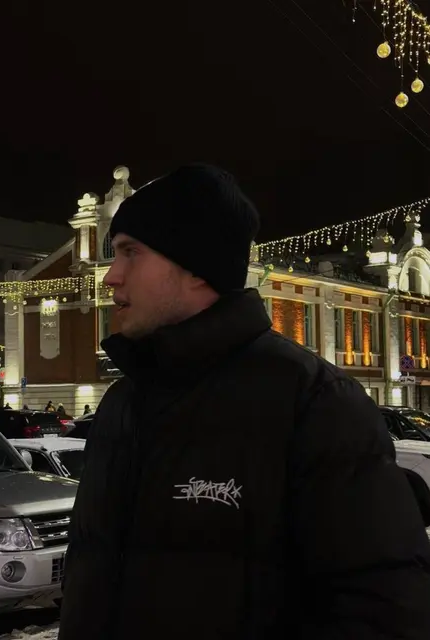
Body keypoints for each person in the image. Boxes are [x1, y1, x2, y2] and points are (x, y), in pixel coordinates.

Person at [59, 164, 430, 640]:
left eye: (131, 253)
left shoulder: (315, 402)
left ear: (196, 266)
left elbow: (384, 612)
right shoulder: (121, 403)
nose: (111, 276)